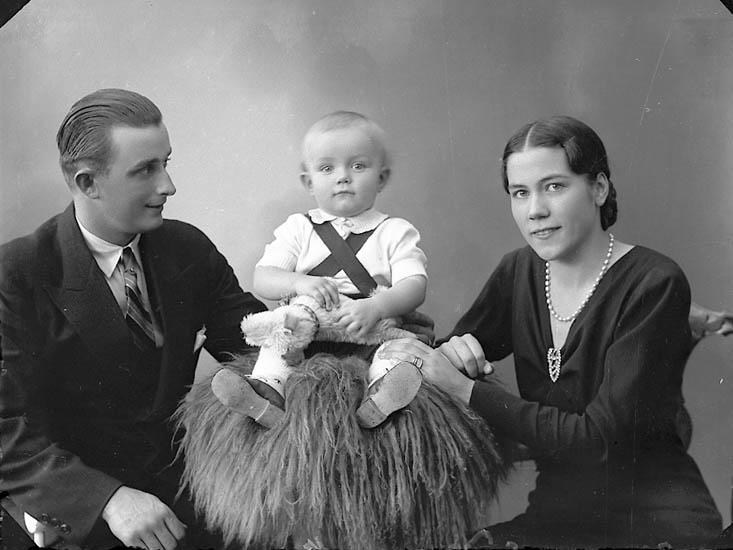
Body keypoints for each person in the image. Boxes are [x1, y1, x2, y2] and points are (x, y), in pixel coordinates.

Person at [378, 115, 722, 548]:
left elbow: (599, 440)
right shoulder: (519, 271)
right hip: (555, 517)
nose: (535, 210)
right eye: (520, 192)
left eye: (554, 186)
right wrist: (453, 351)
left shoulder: (654, 282)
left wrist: (467, 389)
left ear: (599, 188)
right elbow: (446, 363)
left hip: (654, 523)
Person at [0, 88, 266, 550]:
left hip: (186, 494)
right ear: (88, 183)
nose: (168, 186)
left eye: (166, 163)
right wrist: (108, 499)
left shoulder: (187, 248)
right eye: (146, 169)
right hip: (73, 511)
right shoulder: (16, 273)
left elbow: (257, 343)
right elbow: (6, 427)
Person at [212, 111, 428, 428]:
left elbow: (414, 285)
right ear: (308, 181)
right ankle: (266, 393)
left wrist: (377, 306)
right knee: (279, 341)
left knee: (395, 354)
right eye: (327, 168)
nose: (343, 177)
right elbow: (264, 278)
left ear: (381, 178)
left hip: (370, 332)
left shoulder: (395, 231)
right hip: (308, 335)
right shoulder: (298, 228)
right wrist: (299, 283)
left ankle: (381, 397)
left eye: (358, 166)